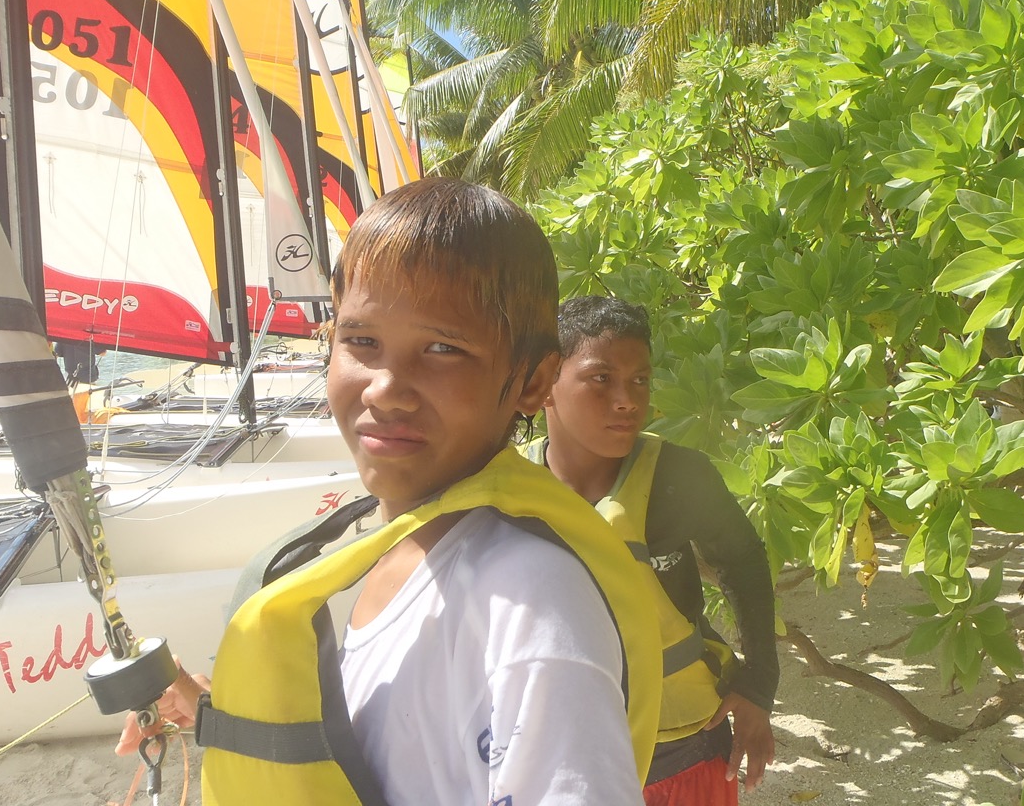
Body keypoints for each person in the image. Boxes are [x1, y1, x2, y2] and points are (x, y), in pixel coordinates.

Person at [116, 178, 662, 806]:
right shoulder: (393, 545)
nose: (385, 387)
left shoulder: (533, 604)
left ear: (533, 382)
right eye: (361, 341)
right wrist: (218, 710)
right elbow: (392, 751)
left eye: (443, 348)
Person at [533, 296, 779, 805]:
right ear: (545, 384)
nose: (627, 400)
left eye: (640, 380)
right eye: (601, 378)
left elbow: (744, 562)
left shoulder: (679, 476)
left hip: (687, 749)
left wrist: (759, 685)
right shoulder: (508, 489)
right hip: (560, 756)